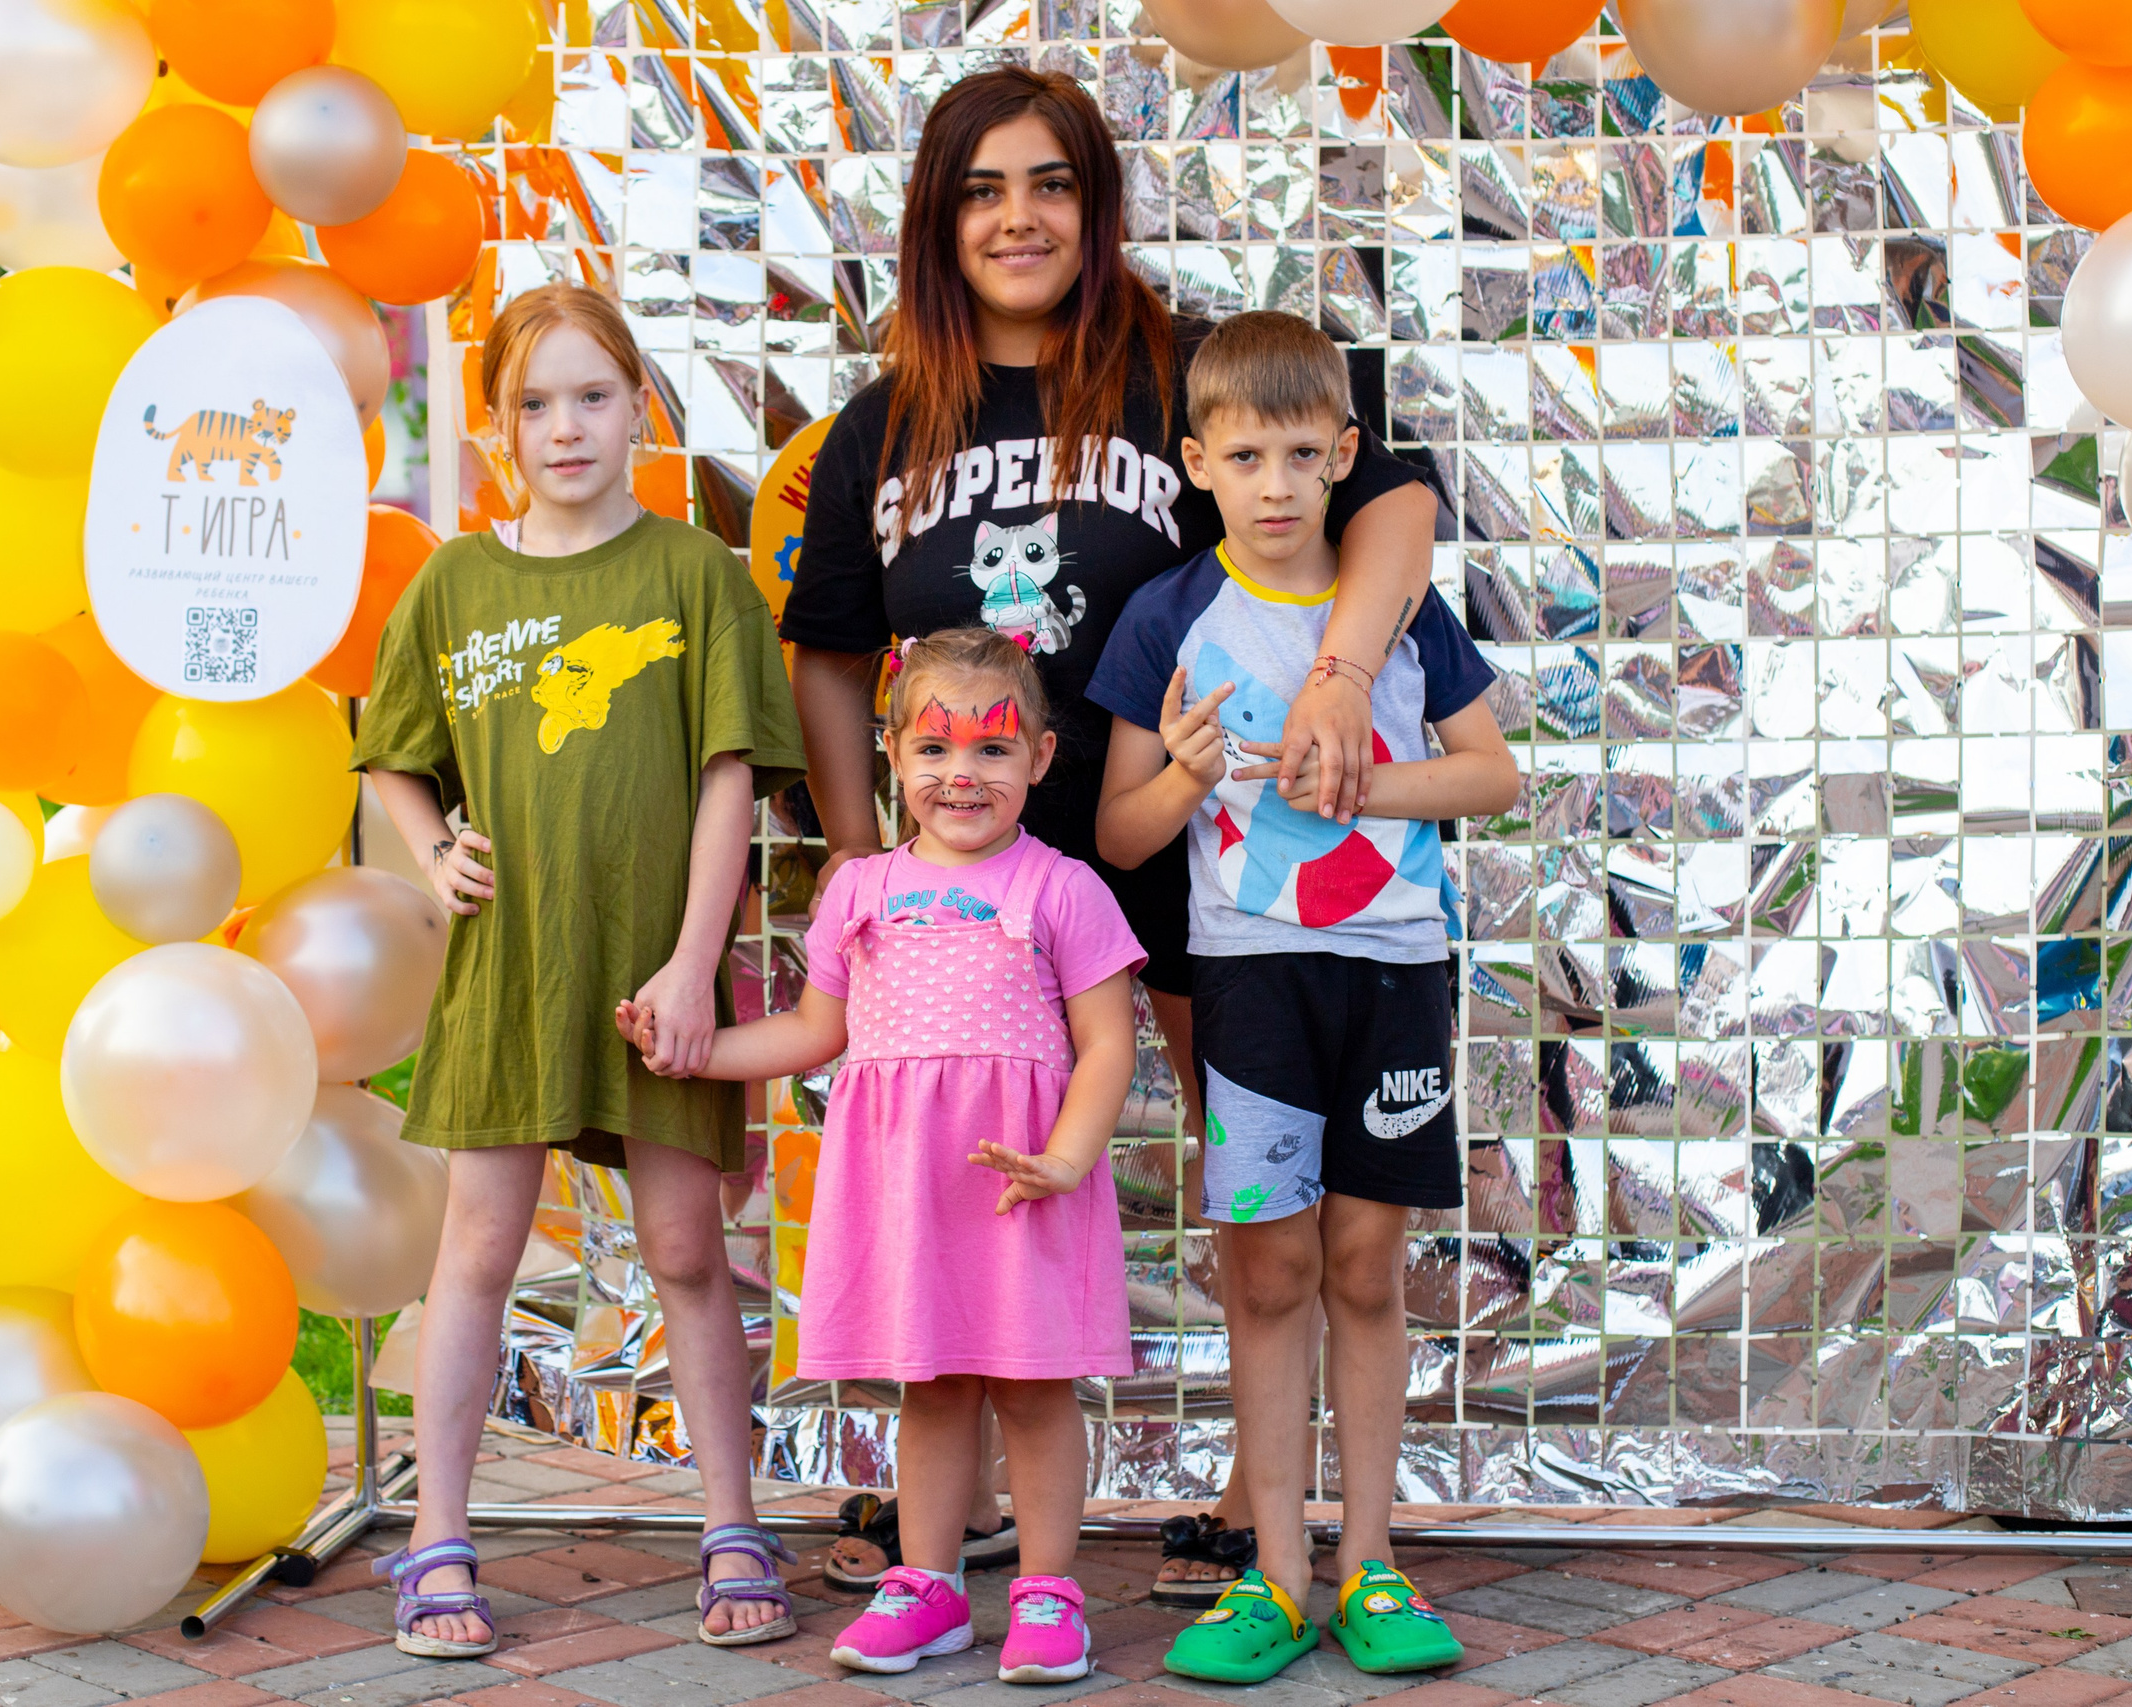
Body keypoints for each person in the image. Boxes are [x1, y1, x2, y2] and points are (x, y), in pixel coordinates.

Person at [780, 61, 1441, 1603]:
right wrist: (857, 853)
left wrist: (1342, 674)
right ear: (937, 219)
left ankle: (1260, 1499)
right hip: (979, 876)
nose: (1018, 218)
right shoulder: (883, 425)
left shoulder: (1182, 371)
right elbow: (828, 645)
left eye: (1051, 183)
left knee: (1263, 1183)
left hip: (1201, 854)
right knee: (965, 1161)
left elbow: (1398, 503)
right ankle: (952, 1495)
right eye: (982, 189)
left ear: (1097, 201)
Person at [354, 282, 808, 1659]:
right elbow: (391, 758)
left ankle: (731, 1521)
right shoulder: (456, 582)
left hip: (654, 970)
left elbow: (730, 777)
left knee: (685, 1248)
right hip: (511, 970)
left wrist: (691, 964)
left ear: (637, 409)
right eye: (535, 403)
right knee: (477, 1251)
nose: (566, 427)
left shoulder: (693, 574)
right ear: (497, 426)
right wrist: (432, 850)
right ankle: (438, 1532)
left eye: (593, 396)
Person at [1089, 312, 1521, 1684]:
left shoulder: (1395, 611)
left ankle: (1370, 1559)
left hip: (1393, 974)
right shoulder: (1170, 614)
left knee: (1364, 1267)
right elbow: (1119, 836)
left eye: (1298, 455)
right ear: (1196, 465)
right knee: (1269, 1273)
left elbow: (1493, 773)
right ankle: (1274, 1571)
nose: (1274, 486)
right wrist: (1187, 775)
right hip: (1249, 985)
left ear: (1344, 455)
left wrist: (1359, 782)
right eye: (1244, 457)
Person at [629, 627, 1144, 1683]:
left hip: (1019, 1186)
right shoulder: (858, 890)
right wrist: (697, 1051)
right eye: (935, 748)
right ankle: (929, 1585)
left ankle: (1049, 1592)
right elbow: (813, 1031)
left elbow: (1107, 1045)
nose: (963, 774)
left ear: (1041, 757)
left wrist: (1063, 1158)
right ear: (893, 754)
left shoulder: (1065, 890)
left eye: (993, 748)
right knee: (933, 1386)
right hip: (908, 1188)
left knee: (1033, 1390)